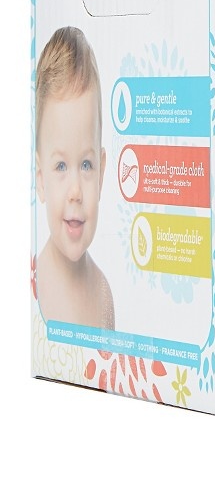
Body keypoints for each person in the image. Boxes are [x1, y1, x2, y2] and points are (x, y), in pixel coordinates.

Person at [34, 26, 114, 329]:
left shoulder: (103, 293)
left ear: (102, 174)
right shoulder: (32, 290)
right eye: (60, 167)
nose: (75, 191)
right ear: (40, 178)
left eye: (86, 165)